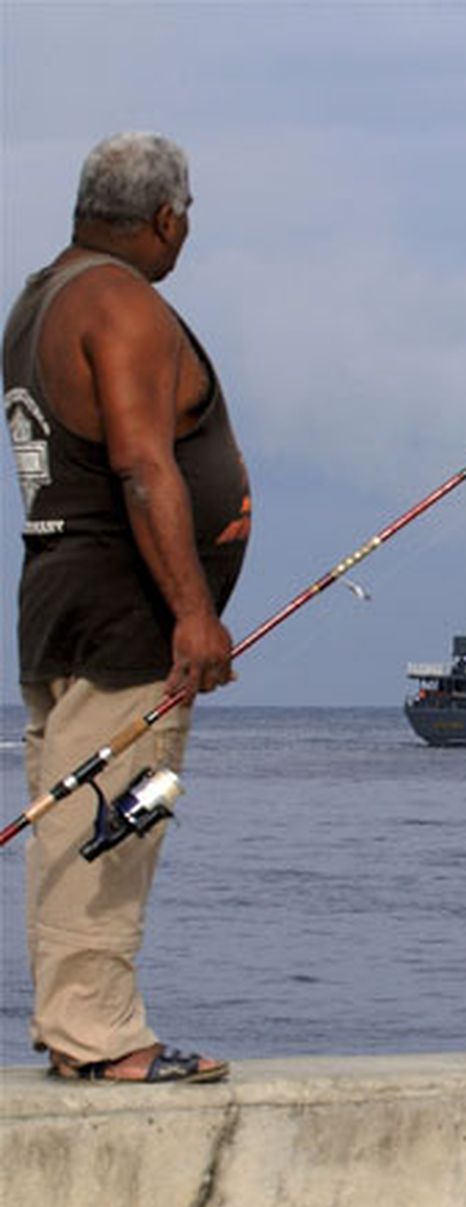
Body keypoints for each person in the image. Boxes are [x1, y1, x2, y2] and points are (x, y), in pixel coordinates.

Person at [3, 133, 251, 1083]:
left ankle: (75, 1024)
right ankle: (101, 1036)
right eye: (185, 219)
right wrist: (193, 612)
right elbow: (144, 466)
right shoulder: (123, 305)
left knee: (72, 813)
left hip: (58, 596)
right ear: (165, 217)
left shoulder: (41, 298)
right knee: (118, 815)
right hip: (124, 616)